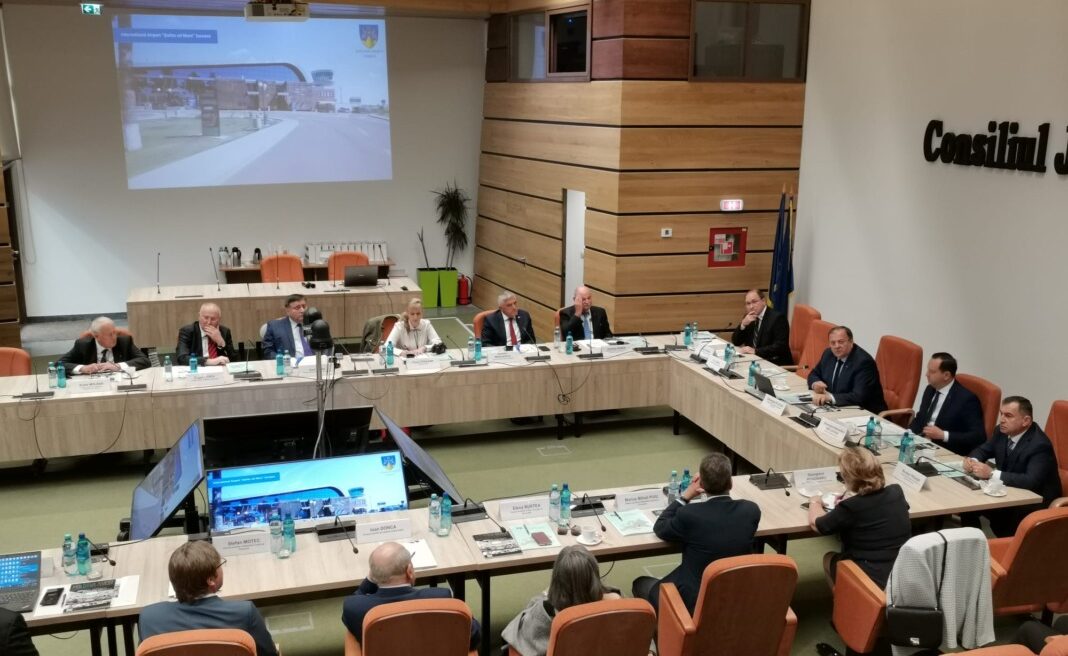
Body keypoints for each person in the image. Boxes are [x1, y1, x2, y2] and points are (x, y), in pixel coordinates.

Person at [631, 452, 760, 614]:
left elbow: (661, 527)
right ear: (731, 483)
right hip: (737, 592)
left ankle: (668, 625)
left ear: (702, 485)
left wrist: (686, 495)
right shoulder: (751, 510)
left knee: (640, 584)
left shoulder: (690, 514)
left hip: (696, 599)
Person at [139, 541, 277, 656]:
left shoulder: (149, 618)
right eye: (220, 565)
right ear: (211, 580)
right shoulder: (244, 613)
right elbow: (268, 653)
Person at [807, 447, 911, 589]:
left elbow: (816, 524)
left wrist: (815, 502)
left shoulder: (851, 507)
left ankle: (846, 601)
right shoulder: (896, 492)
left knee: (828, 559)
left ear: (847, 477)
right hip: (901, 570)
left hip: (868, 577)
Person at [342, 542, 479, 648]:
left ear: (374, 575)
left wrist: (369, 580)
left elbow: (356, 597)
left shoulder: (355, 608)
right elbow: (474, 637)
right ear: (409, 571)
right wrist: (467, 613)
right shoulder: (440, 598)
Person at [963, 396, 1060, 536]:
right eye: (1001, 414)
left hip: (1034, 502)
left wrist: (991, 473)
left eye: (1008, 416)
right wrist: (972, 460)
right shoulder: (1001, 431)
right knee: (968, 503)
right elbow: (984, 450)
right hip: (1009, 490)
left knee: (999, 515)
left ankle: (1004, 546)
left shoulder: (1039, 444)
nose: (1002, 420)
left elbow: (1031, 481)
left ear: (1026, 421)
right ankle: (975, 542)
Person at [502, 545, 621, 656]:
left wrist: (543, 596)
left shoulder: (546, 613)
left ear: (557, 577)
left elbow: (518, 636)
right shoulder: (617, 603)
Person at [908, 352, 986, 456]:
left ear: (946, 375)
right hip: (922, 443)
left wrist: (943, 435)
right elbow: (920, 418)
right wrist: (907, 433)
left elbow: (978, 437)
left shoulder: (967, 399)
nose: (926, 374)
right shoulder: (930, 389)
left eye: (932, 372)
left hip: (945, 450)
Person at [807, 325, 887, 414]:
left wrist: (830, 397)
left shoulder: (863, 362)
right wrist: (815, 383)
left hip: (866, 413)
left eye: (841, 342)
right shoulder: (828, 354)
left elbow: (859, 396)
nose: (837, 346)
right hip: (838, 408)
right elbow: (814, 374)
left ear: (851, 341)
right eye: (833, 343)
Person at [58, 316, 150, 375]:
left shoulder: (124, 342)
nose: (114, 337)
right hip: (93, 387)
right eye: (110, 335)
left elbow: (145, 360)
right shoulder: (83, 345)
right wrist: (83, 368)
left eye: (115, 332)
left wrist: (117, 366)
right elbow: (58, 364)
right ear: (96, 336)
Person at [729, 288, 792, 365]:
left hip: (774, 362)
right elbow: (736, 342)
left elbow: (780, 346)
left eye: (754, 302)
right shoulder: (749, 317)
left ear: (763, 301)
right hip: (753, 361)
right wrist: (743, 324)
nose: (751, 306)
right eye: (748, 303)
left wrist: (755, 351)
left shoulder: (777, 318)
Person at [262, 294, 309, 360]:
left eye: (304, 306)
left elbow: (323, 347)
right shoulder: (274, 326)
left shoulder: (315, 324)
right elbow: (268, 351)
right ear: (287, 310)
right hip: (289, 363)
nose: (302, 310)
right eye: (297, 307)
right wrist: (283, 360)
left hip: (315, 362)